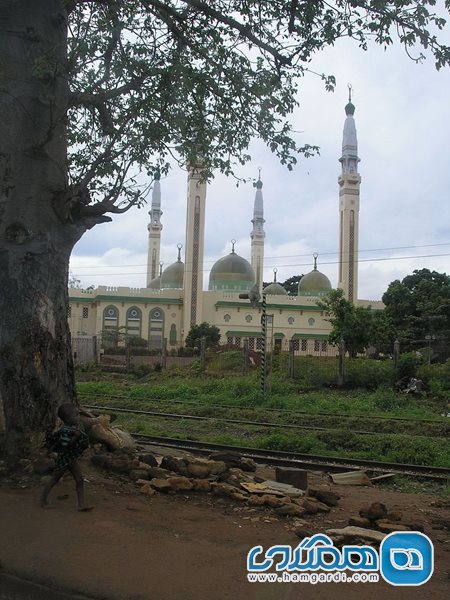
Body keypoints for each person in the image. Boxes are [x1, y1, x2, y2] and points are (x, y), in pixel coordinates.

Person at [40, 403, 93, 511]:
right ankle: (43, 500)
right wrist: (75, 438)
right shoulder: (66, 431)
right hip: (64, 460)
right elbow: (65, 446)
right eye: (76, 415)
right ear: (68, 418)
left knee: (79, 480)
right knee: (55, 479)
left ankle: (81, 505)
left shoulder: (71, 429)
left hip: (71, 459)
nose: (78, 417)